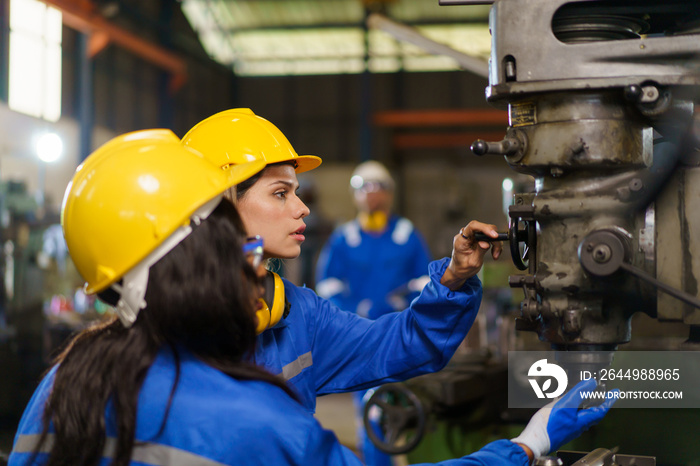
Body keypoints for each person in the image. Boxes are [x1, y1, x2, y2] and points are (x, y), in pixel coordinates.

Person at [9, 129, 616, 466]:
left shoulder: (66, 382)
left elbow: (395, 342)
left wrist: (452, 281)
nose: (302, 208)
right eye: (279, 193)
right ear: (220, 210)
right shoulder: (259, 423)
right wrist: (526, 446)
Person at [315, 160, 432, 466]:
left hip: (400, 334)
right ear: (355, 196)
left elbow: (424, 283)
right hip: (360, 338)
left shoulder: (406, 235)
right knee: (372, 409)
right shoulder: (344, 239)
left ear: (390, 194)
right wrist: (356, 310)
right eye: (364, 188)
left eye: (379, 187)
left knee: (403, 406)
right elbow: (327, 286)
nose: (372, 194)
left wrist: (401, 305)